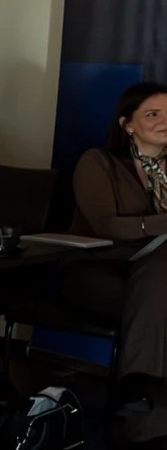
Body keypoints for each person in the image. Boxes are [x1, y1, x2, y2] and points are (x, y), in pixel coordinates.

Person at [69, 80, 167, 428]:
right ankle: (142, 394)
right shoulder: (99, 162)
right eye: (153, 114)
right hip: (98, 269)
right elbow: (105, 225)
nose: (164, 121)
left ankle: (142, 391)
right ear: (127, 124)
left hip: (154, 275)